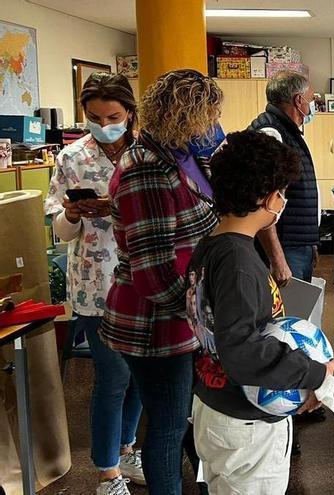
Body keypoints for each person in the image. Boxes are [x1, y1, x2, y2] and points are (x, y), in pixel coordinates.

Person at [185, 130, 334, 493]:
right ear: (269, 199)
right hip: (246, 424)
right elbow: (243, 349)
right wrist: (313, 373)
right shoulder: (239, 263)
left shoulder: (212, 247)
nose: (283, 200)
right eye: (282, 192)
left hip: (216, 405)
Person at [100, 69, 223, 495]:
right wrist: (207, 320)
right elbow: (152, 274)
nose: (214, 125)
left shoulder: (184, 155)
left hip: (181, 315)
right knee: (168, 426)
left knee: (185, 419)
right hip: (155, 322)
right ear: (186, 116)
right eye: (209, 115)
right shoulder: (146, 170)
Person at [45, 73, 144, 495]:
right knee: (113, 376)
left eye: (114, 116)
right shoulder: (72, 158)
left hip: (145, 280)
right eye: (94, 117)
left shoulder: (147, 153)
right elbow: (59, 231)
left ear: (130, 113)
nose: (104, 124)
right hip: (94, 285)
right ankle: (107, 472)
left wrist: (116, 206)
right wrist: (74, 213)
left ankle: (127, 448)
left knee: (142, 375)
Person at [249, 71, 319, 286]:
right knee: (287, 314)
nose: (312, 105)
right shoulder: (272, 134)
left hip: (296, 244)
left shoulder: (287, 131)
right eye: (312, 99)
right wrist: (277, 259)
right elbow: (261, 203)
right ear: (299, 101)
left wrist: (309, 242)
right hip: (284, 247)